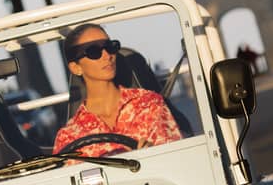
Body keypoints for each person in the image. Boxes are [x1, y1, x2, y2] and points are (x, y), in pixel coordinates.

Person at [53, 23, 182, 157]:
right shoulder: (68, 136)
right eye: (94, 52)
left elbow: (175, 159)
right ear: (75, 68)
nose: (107, 55)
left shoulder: (149, 104)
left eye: (110, 47)